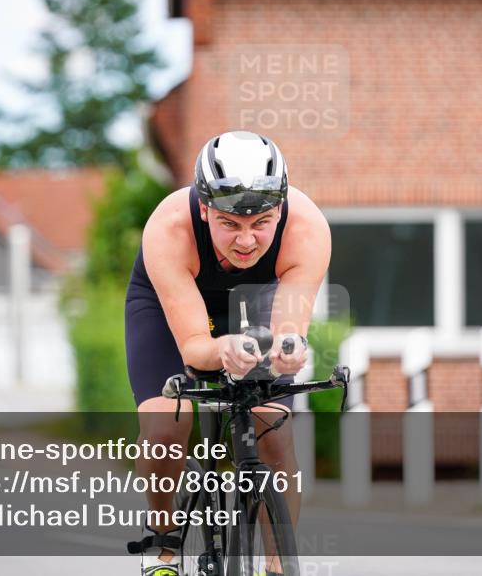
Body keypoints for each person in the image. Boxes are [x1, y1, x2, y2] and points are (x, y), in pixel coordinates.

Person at [125, 131, 331, 576]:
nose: (246, 241)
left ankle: (276, 567)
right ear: (204, 208)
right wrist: (221, 350)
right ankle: (162, 542)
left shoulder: (307, 229)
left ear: (281, 208)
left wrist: (289, 351)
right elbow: (196, 349)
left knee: (273, 432)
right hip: (170, 307)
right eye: (230, 224)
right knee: (164, 430)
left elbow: (288, 332)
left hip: (255, 300)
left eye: (261, 222)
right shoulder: (170, 228)